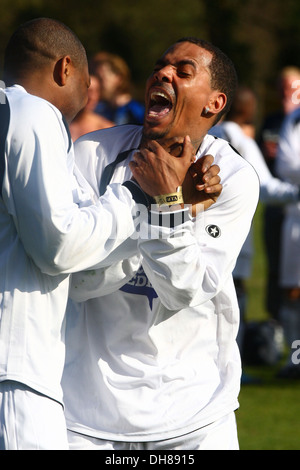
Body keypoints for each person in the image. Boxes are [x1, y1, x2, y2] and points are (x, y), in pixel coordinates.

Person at [0, 19, 218, 450]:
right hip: (17, 368)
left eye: (183, 70)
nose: (88, 93)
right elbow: (60, 249)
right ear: (65, 70)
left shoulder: (12, 113)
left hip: (32, 371)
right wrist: (146, 193)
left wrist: (167, 208)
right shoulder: (35, 113)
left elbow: (82, 254)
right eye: (87, 79)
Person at [62, 37, 260, 451]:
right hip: (88, 415)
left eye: (183, 72)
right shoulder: (90, 155)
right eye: (160, 66)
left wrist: (166, 207)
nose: (163, 73)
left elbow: (183, 290)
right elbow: (74, 281)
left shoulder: (232, 177)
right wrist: (168, 204)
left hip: (195, 416)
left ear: (215, 103)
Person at [210, 87, 299, 365]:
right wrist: (295, 193)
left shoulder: (211, 133)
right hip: (233, 231)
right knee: (232, 297)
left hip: (203, 226)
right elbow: (264, 186)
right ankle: (230, 363)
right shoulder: (240, 140)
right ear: (247, 110)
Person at [258, 67, 300, 321]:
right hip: (278, 201)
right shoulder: (273, 120)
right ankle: (276, 324)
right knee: (279, 269)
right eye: (284, 88)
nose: (288, 93)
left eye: (294, 87)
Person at [275, 106, 300, 378]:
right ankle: (296, 359)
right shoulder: (295, 118)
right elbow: (286, 165)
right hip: (297, 215)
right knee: (293, 291)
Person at [90, 52, 145, 125]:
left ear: (119, 78)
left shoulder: (136, 111)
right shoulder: (98, 109)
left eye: (102, 79)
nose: (98, 84)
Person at [69, 73, 114, 141]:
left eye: (96, 91)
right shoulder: (60, 124)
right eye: (87, 91)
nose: (92, 97)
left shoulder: (106, 129)